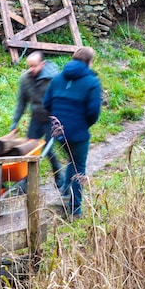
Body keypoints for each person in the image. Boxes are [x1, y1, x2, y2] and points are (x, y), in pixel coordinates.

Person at [42, 47, 102, 218]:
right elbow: (93, 112)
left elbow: (46, 103)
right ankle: (75, 209)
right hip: (78, 133)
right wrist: (83, 124)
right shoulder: (92, 82)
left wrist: (57, 120)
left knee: (71, 160)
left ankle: (65, 194)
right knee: (78, 169)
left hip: (58, 133)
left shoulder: (58, 78)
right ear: (89, 62)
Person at [9, 51, 62, 192]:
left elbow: (61, 100)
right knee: (29, 150)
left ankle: (58, 173)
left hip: (52, 119)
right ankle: (26, 182)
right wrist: (15, 122)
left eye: (34, 66)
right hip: (36, 118)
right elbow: (22, 102)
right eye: (29, 66)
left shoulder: (54, 79)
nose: (31, 70)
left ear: (42, 64)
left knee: (47, 149)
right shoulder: (25, 79)